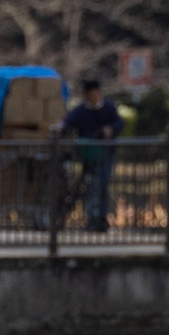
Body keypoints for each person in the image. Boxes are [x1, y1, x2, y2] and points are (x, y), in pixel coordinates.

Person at [59, 77, 126, 232]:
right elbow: (68, 121)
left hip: (106, 153)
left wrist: (110, 129)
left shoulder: (108, 107)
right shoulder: (81, 110)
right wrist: (61, 126)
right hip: (89, 154)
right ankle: (92, 218)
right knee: (92, 187)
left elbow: (119, 123)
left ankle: (102, 218)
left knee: (102, 185)